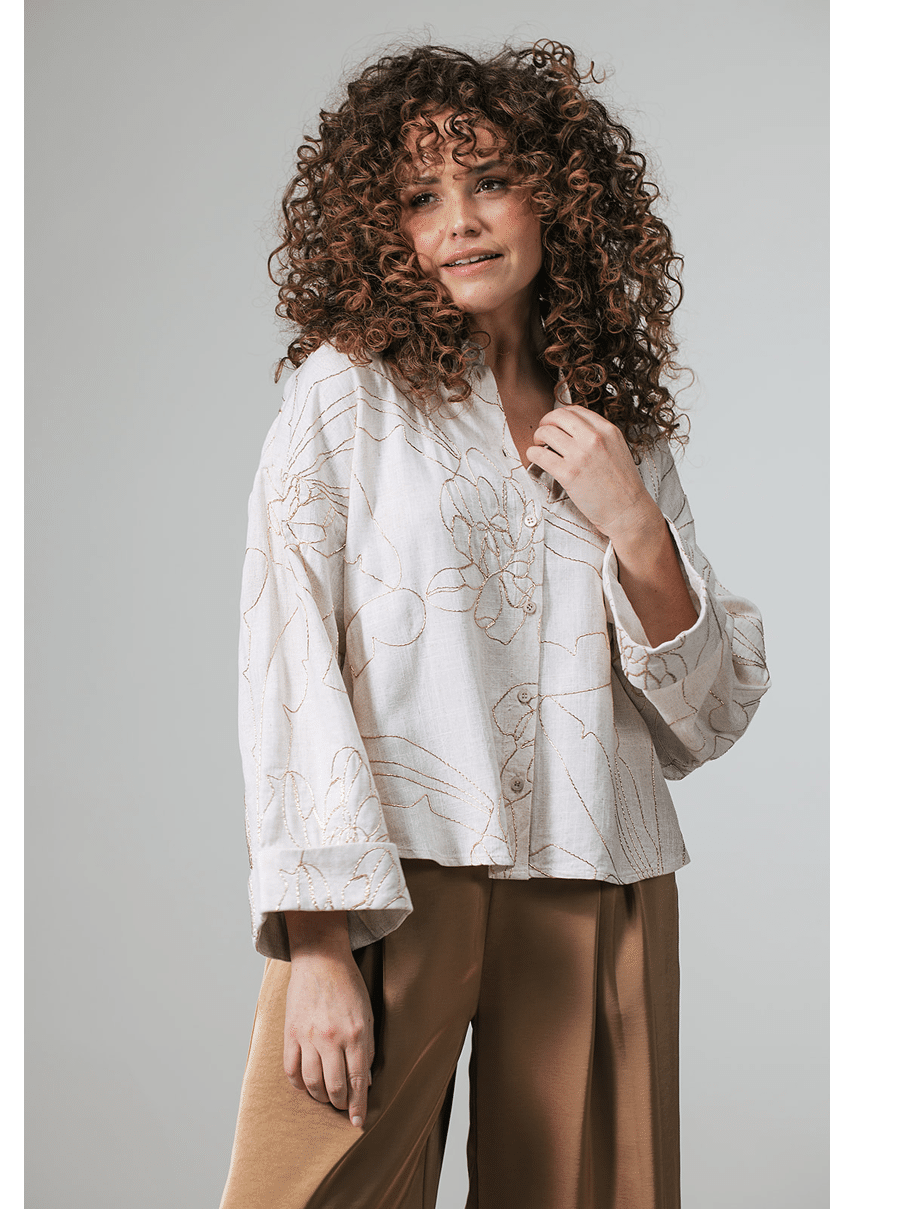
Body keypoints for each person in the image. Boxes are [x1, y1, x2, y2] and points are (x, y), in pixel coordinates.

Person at [220, 41, 769, 1209]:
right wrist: (315, 942)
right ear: (382, 228)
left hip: (595, 866)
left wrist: (637, 529)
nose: (460, 222)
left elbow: (708, 718)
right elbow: (288, 659)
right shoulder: (346, 393)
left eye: (490, 182)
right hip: (392, 874)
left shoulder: (616, 426)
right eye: (422, 196)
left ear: (555, 197)